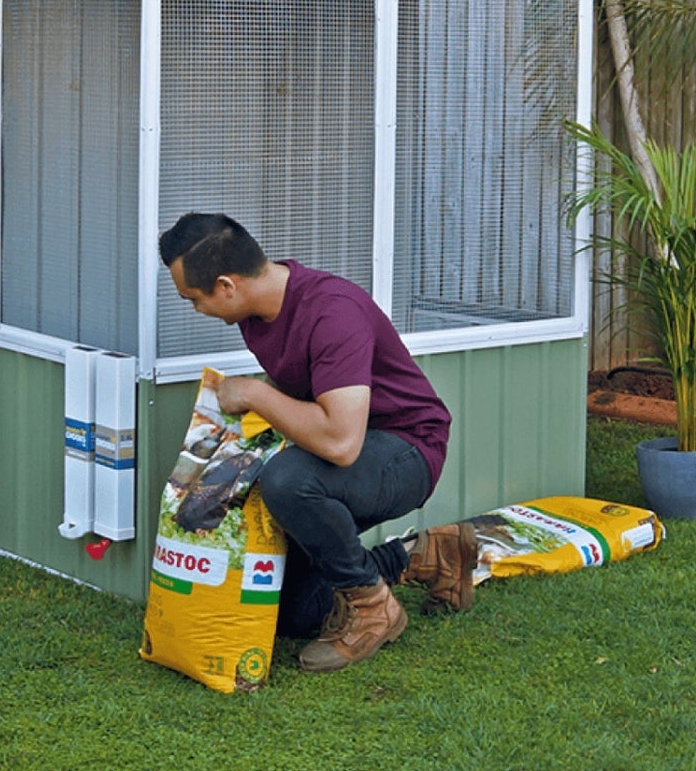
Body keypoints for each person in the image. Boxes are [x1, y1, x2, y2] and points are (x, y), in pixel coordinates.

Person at [159, 212, 477, 674]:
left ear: (226, 286)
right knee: (294, 613)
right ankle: (427, 554)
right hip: (350, 455)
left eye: (194, 300)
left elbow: (342, 442)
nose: (197, 310)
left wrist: (254, 393)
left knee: (287, 480)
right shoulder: (256, 314)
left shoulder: (332, 311)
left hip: (406, 448)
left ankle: (374, 610)